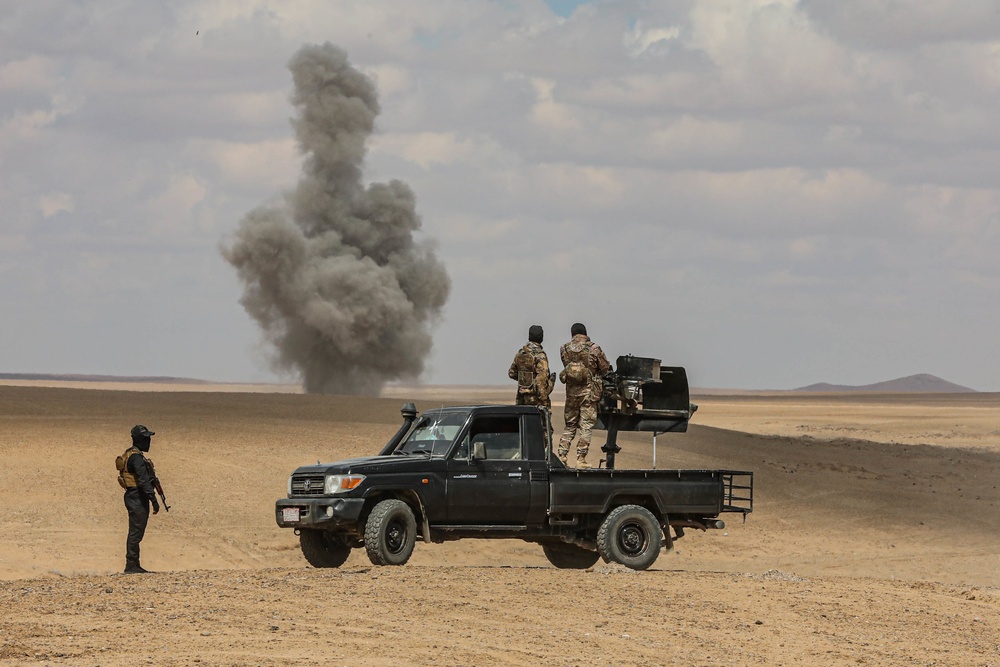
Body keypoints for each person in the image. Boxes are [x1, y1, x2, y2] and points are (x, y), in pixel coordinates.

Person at [557, 323, 611, 468]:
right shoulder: (594, 348)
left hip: (571, 394)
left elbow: (566, 367)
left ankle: (562, 456)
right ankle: (581, 460)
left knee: (569, 426)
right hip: (589, 394)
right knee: (586, 426)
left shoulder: (564, 349)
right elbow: (605, 367)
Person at [116, 424, 161, 574]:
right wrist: (154, 500)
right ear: (139, 440)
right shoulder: (136, 458)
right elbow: (143, 480)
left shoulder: (133, 455)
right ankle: (131, 565)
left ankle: (134, 563)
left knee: (137, 530)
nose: (148, 442)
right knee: (136, 531)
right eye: (146, 438)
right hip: (136, 496)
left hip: (135, 496)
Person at [508, 325, 555, 409]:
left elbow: (512, 373)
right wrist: (544, 401)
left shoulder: (521, 353)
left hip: (521, 398)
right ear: (542, 337)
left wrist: (525, 381)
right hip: (536, 400)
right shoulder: (540, 355)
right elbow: (540, 381)